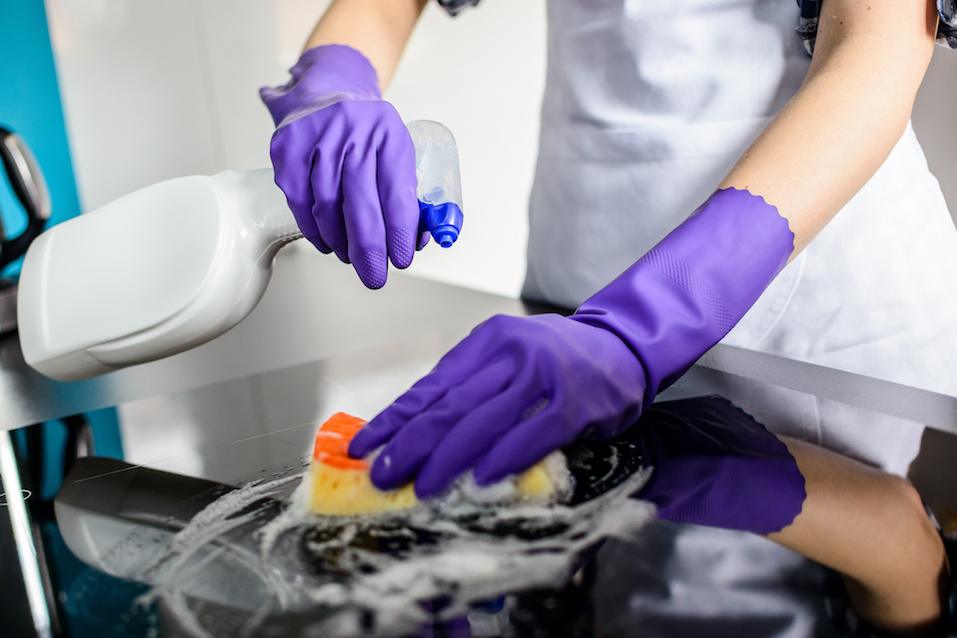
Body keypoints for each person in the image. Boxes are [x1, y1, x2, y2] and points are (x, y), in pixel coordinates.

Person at [259, 1, 957, 634]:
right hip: (580, 252)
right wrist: (333, 81)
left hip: (816, 282)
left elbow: (876, 46)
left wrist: (641, 324)